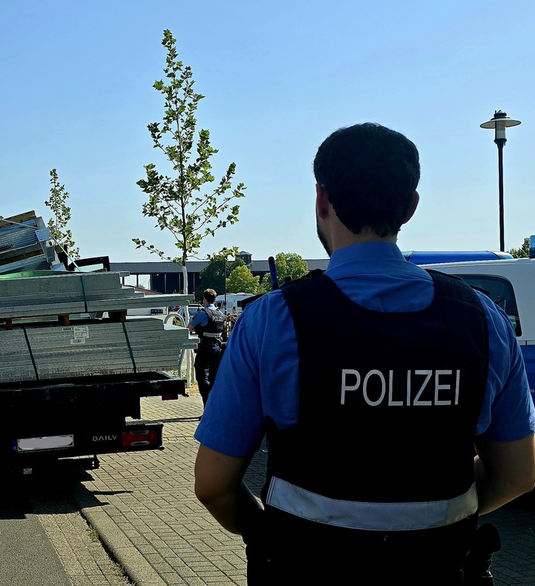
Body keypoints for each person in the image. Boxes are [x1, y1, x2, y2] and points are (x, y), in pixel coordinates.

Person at [194, 123, 535, 584]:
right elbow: (518, 474)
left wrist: (266, 533)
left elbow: (213, 486)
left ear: (321, 201)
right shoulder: (483, 319)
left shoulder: (270, 320)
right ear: (410, 207)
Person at [188, 288, 226, 406]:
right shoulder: (220, 314)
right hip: (217, 348)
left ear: (204, 299)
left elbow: (189, 327)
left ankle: (207, 405)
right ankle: (214, 406)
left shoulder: (203, 313)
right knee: (214, 377)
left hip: (205, 348)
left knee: (202, 376)